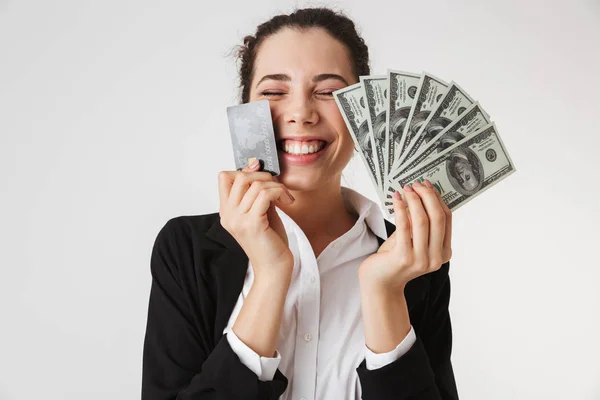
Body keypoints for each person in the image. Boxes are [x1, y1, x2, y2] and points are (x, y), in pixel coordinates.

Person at [141, 7, 458, 400]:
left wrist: (385, 293)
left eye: (327, 92)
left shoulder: (412, 257)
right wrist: (271, 276)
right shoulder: (185, 248)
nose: (300, 114)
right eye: (274, 92)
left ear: (365, 115)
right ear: (245, 110)